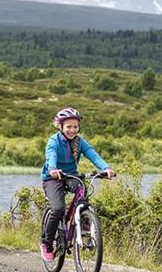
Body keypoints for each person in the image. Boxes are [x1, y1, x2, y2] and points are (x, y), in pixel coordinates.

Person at [39, 107, 116, 262]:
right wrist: (53, 169)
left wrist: (106, 168)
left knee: (82, 188)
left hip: (70, 176)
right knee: (58, 208)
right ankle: (46, 242)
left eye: (75, 126)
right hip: (52, 178)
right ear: (60, 126)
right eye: (68, 126)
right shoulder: (53, 141)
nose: (72, 130)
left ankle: (83, 220)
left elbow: (93, 155)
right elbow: (51, 156)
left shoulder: (79, 142)